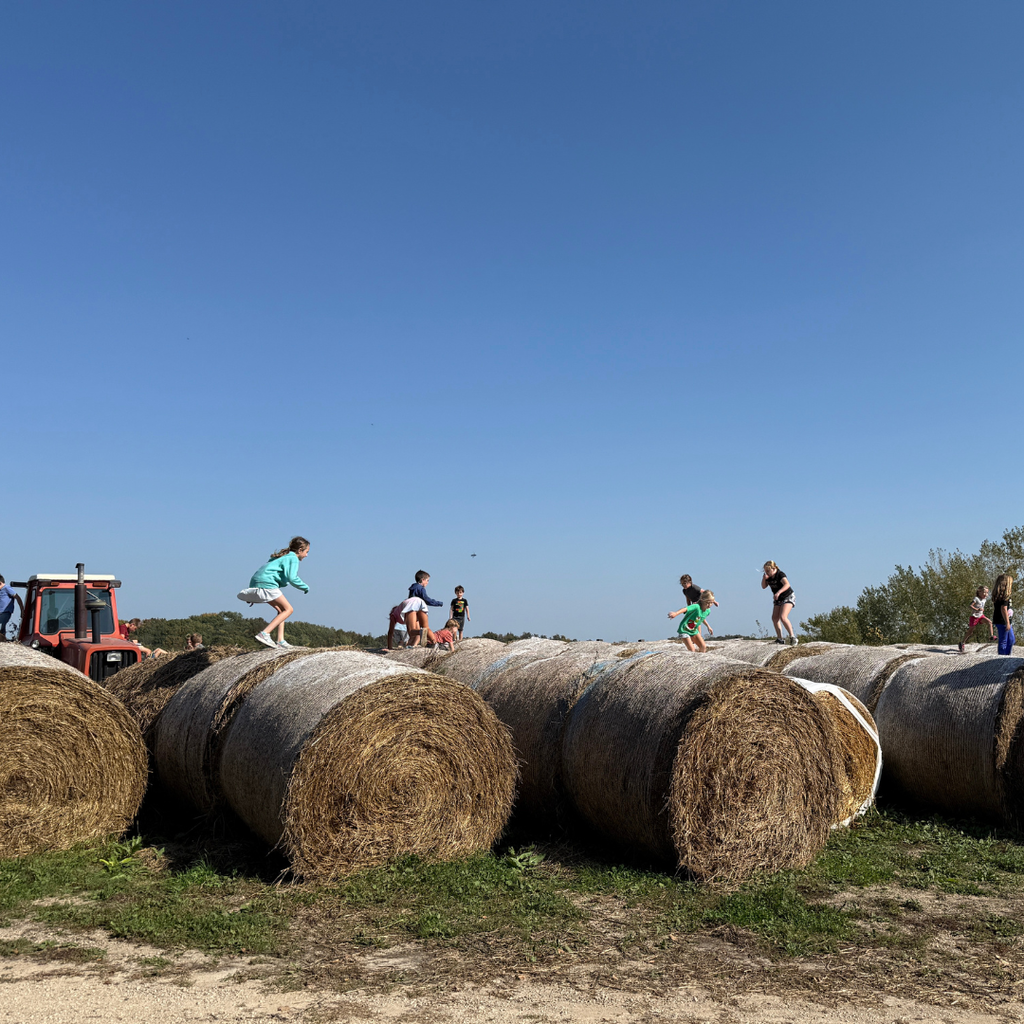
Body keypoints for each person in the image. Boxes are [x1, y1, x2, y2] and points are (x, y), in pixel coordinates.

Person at [237, 536, 310, 649]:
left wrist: (253, 594)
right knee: (289, 609)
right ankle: (265, 634)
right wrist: (305, 587)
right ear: (300, 550)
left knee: (281, 611)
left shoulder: (282, 557)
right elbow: (292, 577)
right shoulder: (293, 558)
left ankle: (280, 641)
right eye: (306, 552)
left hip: (258, 583)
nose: (306, 555)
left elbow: (263, 571)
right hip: (267, 584)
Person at [761, 561, 797, 645]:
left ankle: (792, 637)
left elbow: (787, 584)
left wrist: (778, 592)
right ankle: (780, 638)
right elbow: (763, 586)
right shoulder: (768, 577)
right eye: (765, 571)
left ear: (774, 569)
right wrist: (764, 578)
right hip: (778, 599)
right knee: (774, 618)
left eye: (768, 571)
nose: (767, 573)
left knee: (783, 617)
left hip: (788, 596)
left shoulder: (780, 574)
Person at [406, 571, 443, 647]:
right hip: (420, 609)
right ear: (423, 580)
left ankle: (412, 645)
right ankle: (434, 643)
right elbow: (426, 599)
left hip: (411, 610)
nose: (427, 582)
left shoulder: (412, 588)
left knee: (413, 631)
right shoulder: (421, 588)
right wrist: (438, 603)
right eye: (427, 580)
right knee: (425, 627)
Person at [959, 586, 995, 652]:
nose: (985, 594)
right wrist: (977, 609)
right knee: (970, 631)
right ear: (979, 592)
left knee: (989, 622)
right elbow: (970, 606)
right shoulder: (976, 599)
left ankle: (991, 636)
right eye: (984, 592)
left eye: (987, 593)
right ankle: (962, 642)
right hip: (974, 616)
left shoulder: (984, 599)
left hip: (981, 616)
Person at [992, 574, 1015, 656]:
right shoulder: (1003, 596)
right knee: (1003, 640)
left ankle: (1007, 656)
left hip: (1006, 621)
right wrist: (1007, 622)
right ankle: (1001, 657)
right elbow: (1003, 609)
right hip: (1002, 621)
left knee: (1011, 640)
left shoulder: (1005, 595)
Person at [0, 575, 24, 642]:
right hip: (0, 612)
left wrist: (22, 609)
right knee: (2, 628)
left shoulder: (7, 588)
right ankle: (3, 640)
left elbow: (17, 597)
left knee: (1, 626)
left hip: (5, 612)